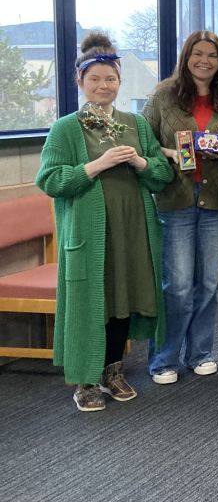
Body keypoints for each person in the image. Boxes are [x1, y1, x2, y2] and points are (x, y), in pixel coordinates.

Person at [36, 32, 174, 412]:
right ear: (80, 81)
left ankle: (113, 370)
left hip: (131, 231)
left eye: (110, 78)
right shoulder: (66, 128)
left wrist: (141, 162)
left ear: (119, 82)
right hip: (88, 233)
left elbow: (161, 174)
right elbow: (49, 180)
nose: (103, 86)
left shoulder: (134, 122)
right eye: (94, 79)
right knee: (89, 301)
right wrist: (97, 165)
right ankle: (85, 380)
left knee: (121, 300)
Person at [143, 30, 218, 384]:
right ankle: (164, 358)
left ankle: (200, 352)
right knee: (178, 285)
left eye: (212, 56)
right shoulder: (163, 96)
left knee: (208, 283)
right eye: (198, 54)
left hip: (216, 198)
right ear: (186, 57)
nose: (204, 61)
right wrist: (171, 153)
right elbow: (143, 142)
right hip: (175, 198)